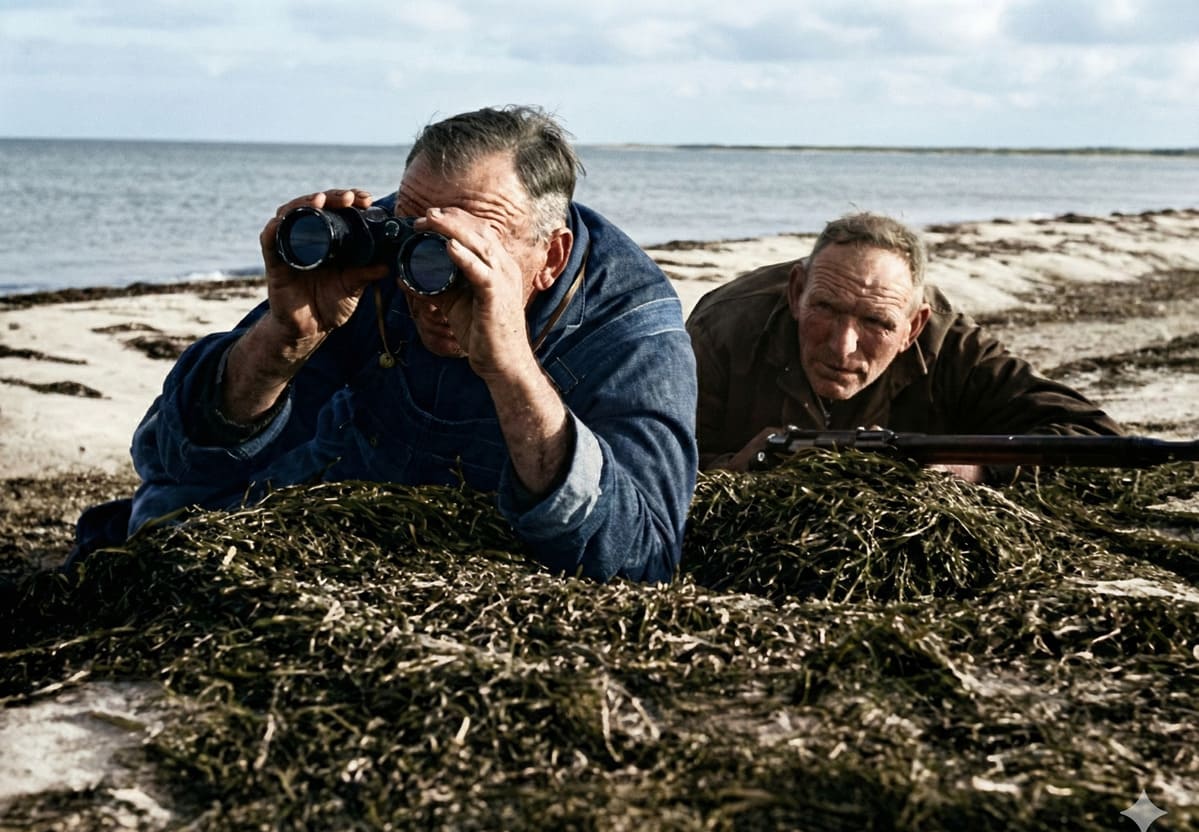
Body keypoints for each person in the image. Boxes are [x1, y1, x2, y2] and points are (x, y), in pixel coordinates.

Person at [76, 106, 698, 583]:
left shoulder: (631, 329)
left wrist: (512, 367)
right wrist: (282, 341)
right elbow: (169, 459)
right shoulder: (377, 277)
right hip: (351, 488)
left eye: (466, 255)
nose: (424, 290)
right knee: (165, 519)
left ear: (550, 255)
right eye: (415, 241)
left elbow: (640, 559)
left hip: (487, 544)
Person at [685, 211, 1122, 480]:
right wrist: (740, 468)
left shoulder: (951, 345)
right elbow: (642, 463)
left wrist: (971, 469)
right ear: (797, 292)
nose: (842, 347)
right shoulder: (721, 332)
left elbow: (1095, 437)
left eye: (876, 322)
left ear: (914, 326)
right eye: (826, 309)